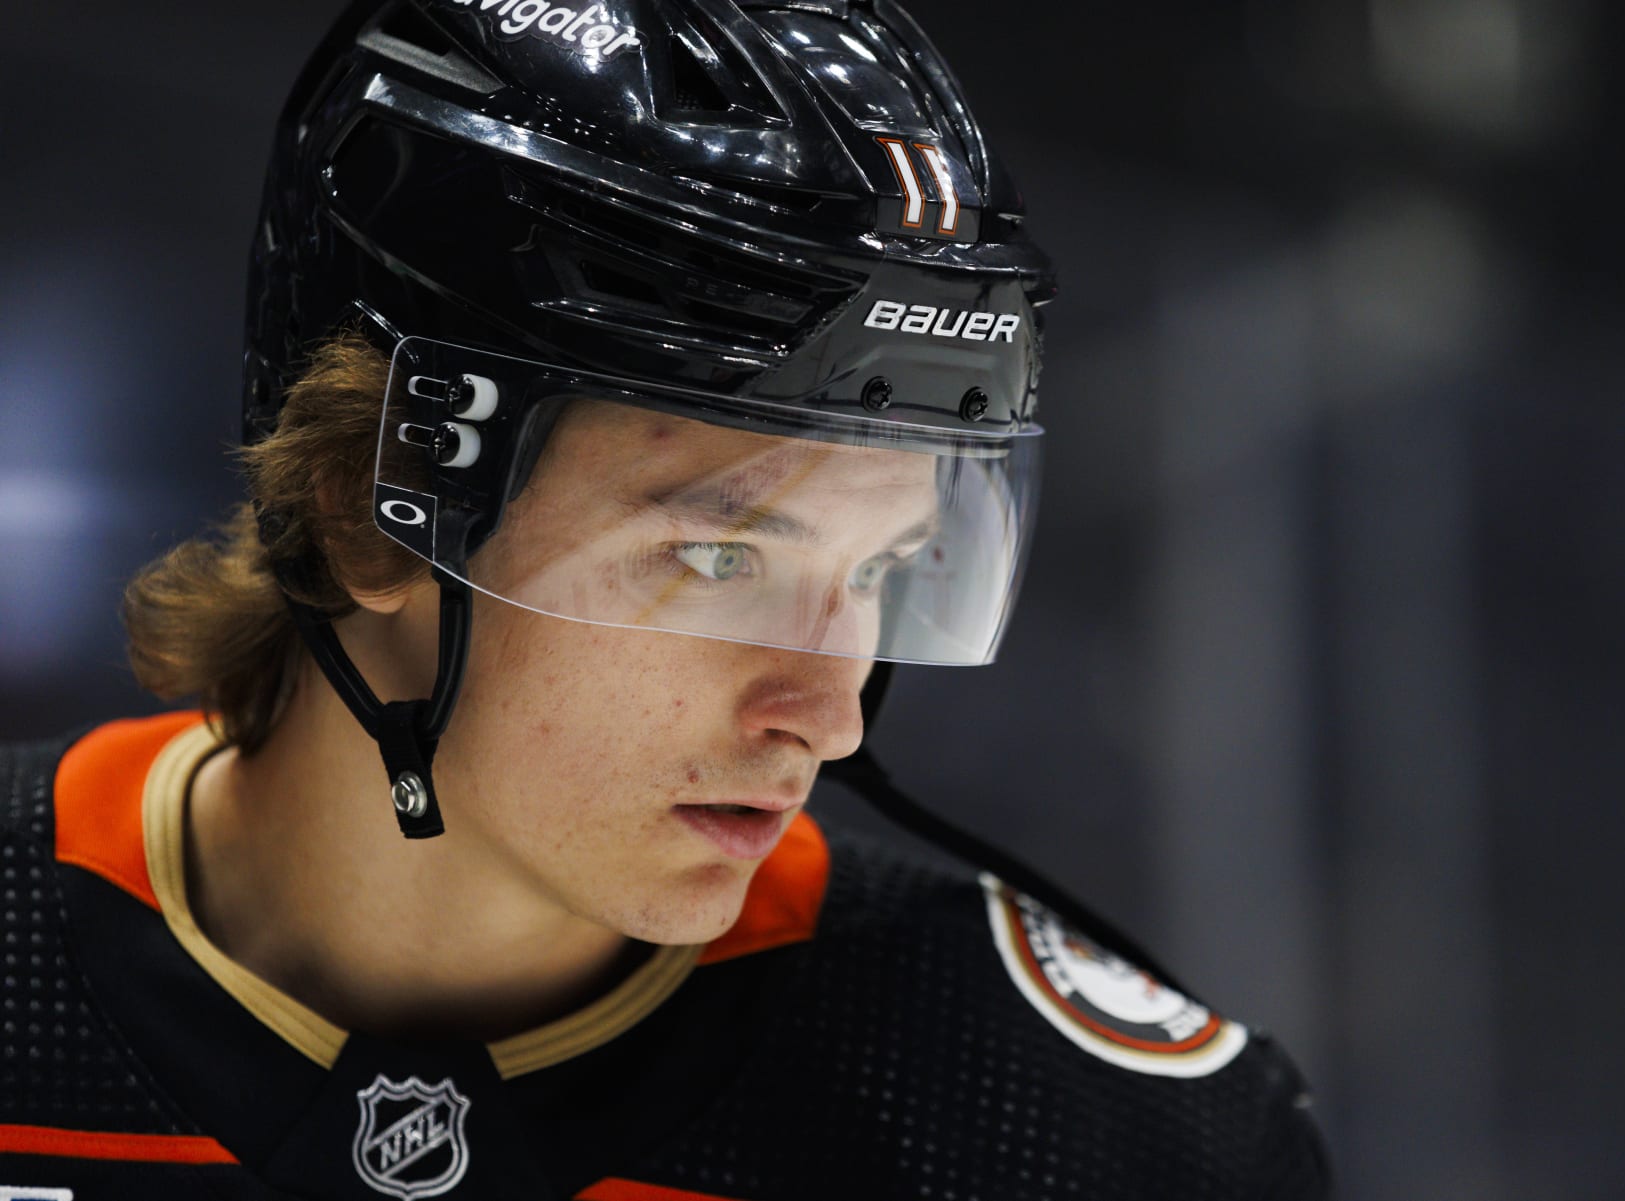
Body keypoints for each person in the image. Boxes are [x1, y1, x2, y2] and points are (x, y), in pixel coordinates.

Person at [0, 0, 1329, 1196]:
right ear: (369, 511)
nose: (828, 717)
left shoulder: (1094, 1143)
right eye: (721, 559)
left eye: (880, 569)